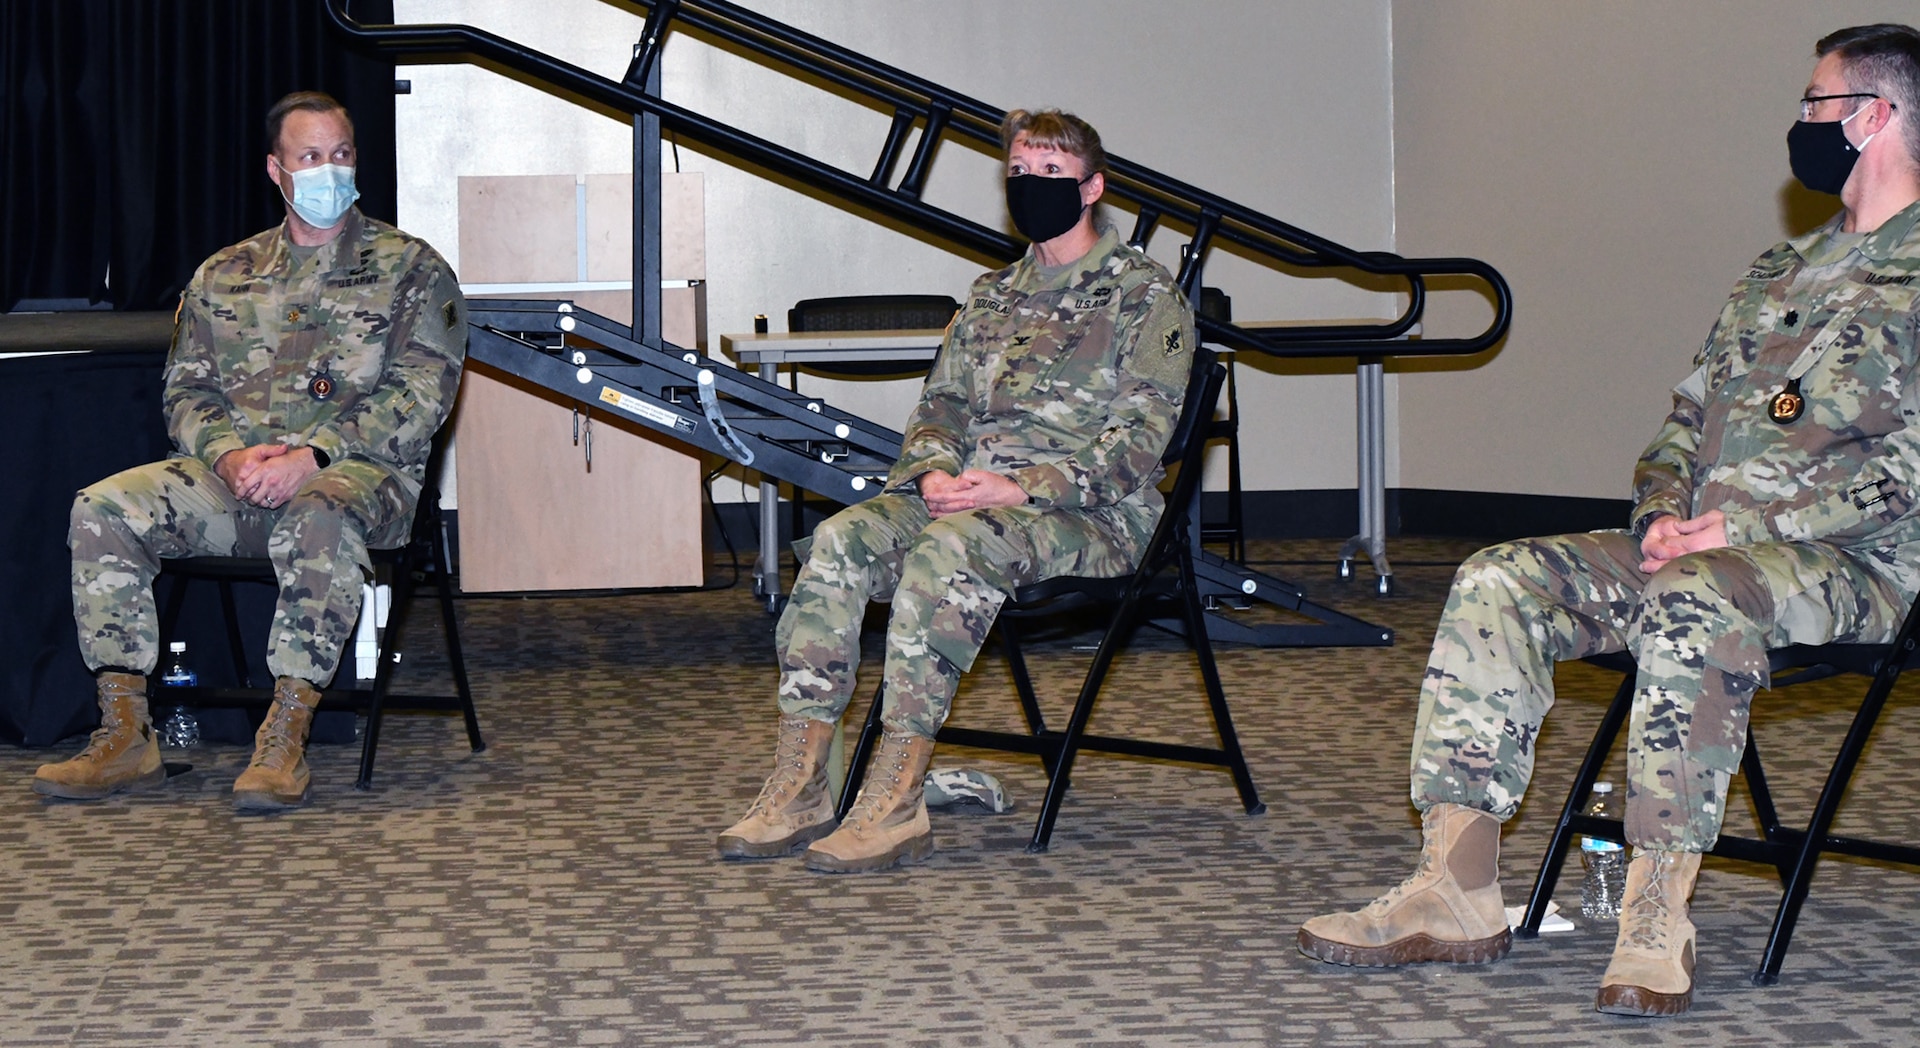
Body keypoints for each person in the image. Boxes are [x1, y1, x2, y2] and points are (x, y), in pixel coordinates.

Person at [1298, 24, 1920, 1017]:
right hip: (1706, 549)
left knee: (1689, 597)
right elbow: (1682, 419)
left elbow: (1907, 475)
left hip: (1856, 564)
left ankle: (1654, 911)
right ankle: (1455, 885)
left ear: (1873, 116)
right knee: (1502, 577)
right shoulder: (1778, 272)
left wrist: (1737, 524)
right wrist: (1669, 507)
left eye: (1815, 101)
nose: (1799, 122)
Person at [718, 109, 1196, 873]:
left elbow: (1138, 446)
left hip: (1087, 513)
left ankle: (898, 799)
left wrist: (1017, 487)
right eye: (1020, 172)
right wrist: (933, 470)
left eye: (1051, 174)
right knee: (841, 542)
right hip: (966, 495)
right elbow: (940, 405)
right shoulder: (991, 295)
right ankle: (804, 782)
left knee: (948, 552)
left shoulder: (1144, 297)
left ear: (1094, 188)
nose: (1031, 186)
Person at [36, 91, 467, 812]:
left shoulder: (411, 270)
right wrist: (230, 456)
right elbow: (186, 392)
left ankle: (285, 734)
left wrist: (316, 456)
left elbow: (423, 394)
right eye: (310, 157)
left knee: (318, 517)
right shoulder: (224, 274)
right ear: (276, 170)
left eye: (342, 154)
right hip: (234, 481)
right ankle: (124, 732)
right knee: (103, 508)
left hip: (362, 481)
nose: (330, 169)